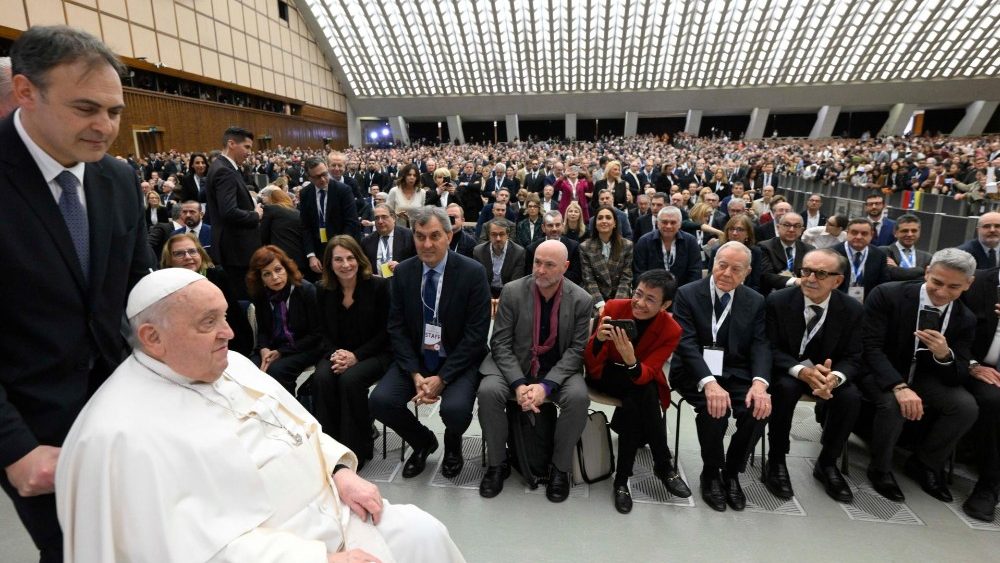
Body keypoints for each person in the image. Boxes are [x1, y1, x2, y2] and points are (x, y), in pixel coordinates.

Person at [56, 268, 466, 562]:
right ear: (152, 338)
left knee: (425, 534)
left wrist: (341, 473)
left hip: (336, 510)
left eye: (225, 317)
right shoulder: (120, 434)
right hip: (286, 549)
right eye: (209, 322)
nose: (230, 333)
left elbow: (298, 429)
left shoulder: (230, 363)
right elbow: (192, 549)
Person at [1, 26, 153, 561]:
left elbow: (140, 293)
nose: (105, 127)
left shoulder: (116, 180)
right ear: (25, 92)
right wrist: (13, 450)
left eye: (114, 111)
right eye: (86, 108)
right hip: (31, 424)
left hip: (122, 404)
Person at [369, 206, 491, 479]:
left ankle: (452, 444)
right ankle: (423, 441)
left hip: (458, 359)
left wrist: (442, 378)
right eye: (420, 236)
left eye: (435, 236)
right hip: (417, 359)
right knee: (380, 400)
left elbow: (476, 335)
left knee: (456, 410)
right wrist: (415, 373)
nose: (427, 244)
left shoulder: (473, 273)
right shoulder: (403, 273)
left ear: (449, 236)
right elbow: (396, 327)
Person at [859, 248, 979, 504]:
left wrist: (944, 355)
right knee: (893, 404)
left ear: (968, 285)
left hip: (925, 376)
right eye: (936, 282)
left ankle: (925, 463)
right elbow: (869, 347)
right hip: (882, 370)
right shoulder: (888, 294)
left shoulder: (964, 318)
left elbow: (957, 373)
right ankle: (880, 468)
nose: (942, 292)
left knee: (965, 406)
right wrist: (898, 385)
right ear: (927, 272)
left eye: (953, 287)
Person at [477, 240, 593, 502]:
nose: (540, 270)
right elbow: (500, 343)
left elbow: (576, 351)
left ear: (565, 267)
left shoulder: (581, 300)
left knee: (577, 398)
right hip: (514, 366)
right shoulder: (513, 291)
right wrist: (518, 384)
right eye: (537, 262)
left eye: (549, 265)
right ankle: (497, 464)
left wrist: (545, 387)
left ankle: (560, 469)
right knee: (488, 391)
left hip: (557, 369)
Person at [670, 241, 772, 513]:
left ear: (747, 272)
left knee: (758, 410)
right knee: (713, 410)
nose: (726, 273)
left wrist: (760, 383)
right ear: (713, 263)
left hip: (736, 371)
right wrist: (709, 383)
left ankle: (732, 472)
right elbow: (686, 344)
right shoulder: (687, 294)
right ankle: (711, 471)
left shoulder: (756, 300)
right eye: (721, 265)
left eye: (735, 269)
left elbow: (761, 344)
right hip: (694, 372)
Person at [584, 270, 692, 514]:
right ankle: (663, 465)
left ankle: (622, 480)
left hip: (638, 376)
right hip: (607, 374)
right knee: (644, 395)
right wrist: (599, 340)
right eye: (638, 294)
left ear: (665, 305)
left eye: (650, 300)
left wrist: (631, 360)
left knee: (637, 399)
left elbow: (650, 371)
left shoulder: (671, 330)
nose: (640, 303)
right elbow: (590, 364)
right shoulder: (614, 307)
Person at [764, 249, 863, 503]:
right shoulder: (778, 301)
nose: (810, 278)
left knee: (850, 396)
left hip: (827, 373)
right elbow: (769, 347)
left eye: (821, 273)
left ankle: (827, 463)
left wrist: (835, 377)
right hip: (790, 368)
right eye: (806, 271)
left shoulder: (851, 309)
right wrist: (802, 372)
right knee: (784, 390)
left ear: (837, 281)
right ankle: (776, 460)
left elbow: (854, 356)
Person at [314, 236, 391, 470]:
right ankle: (330, 448)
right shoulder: (323, 289)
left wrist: (355, 357)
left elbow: (385, 333)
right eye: (338, 259)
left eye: (350, 258)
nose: (345, 264)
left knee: (350, 380)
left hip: (375, 352)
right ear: (329, 263)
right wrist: (336, 354)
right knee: (322, 377)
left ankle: (357, 449)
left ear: (359, 259)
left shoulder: (378, 286)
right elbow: (321, 331)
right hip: (337, 353)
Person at [161, 233, 254, 356]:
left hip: (225, 347)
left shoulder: (217, 276)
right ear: (169, 260)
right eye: (179, 253)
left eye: (192, 251)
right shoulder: (165, 286)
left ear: (200, 254)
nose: (188, 257)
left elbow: (234, 319)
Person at [247, 245, 323, 396]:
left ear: (286, 269)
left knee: (277, 371)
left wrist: (281, 352)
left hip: (306, 346)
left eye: (278, 269)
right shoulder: (261, 295)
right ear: (260, 278)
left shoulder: (306, 290)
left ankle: (288, 413)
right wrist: (264, 349)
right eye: (267, 274)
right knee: (249, 369)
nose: (275, 277)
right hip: (275, 347)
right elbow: (263, 330)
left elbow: (317, 334)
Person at [959, 261, 1000, 521]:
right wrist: (972, 365)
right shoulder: (975, 282)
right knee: (993, 401)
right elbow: (953, 333)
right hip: (976, 367)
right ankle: (988, 485)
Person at [206, 126, 261, 301]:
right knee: (244, 300)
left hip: (233, 249)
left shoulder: (220, 166)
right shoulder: (225, 171)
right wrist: (256, 215)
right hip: (237, 251)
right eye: (247, 147)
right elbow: (229, 211)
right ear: (231, 144)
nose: (249, 152)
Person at [299, 157, 361, 280]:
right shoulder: (305, 193)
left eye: (324, 174)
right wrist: (311, 255)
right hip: (318, 252)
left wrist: (341, 251)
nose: (322, 179)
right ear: (309, 177)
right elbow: (305, 226)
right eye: (317, 177)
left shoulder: (343, 190)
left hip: (343, 248)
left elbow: (351, 223)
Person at [580, 206, 634, 312]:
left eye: (608, 217)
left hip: (619, 296)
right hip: (595, 297)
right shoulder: (585, 247)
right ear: (595, 224)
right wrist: (600, 305)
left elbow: (626, 279)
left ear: (615, 223)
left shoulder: (627, 245)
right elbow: (589, 280)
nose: (604, 221)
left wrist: (616, 305)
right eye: (600, 218)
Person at [633, 206, 703, 287]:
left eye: (673, 222)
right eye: (664, 222)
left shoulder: (691, 241)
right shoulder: (644, 241)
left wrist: (685, 294)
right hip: (652, 291)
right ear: (657, 223)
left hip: (683, 293)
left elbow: (695, 272)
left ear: (680, 224)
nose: (668, 226)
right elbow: (639, 273)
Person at [757, 212, 814, 296]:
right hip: (771, 294)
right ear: (778, 227)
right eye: (787, 225)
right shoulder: (765, 246)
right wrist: (795, 281)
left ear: (802, 230)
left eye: (796, 226)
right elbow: (766, 276)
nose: (791, 229)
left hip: (799, 295)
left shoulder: (809, 250)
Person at [834, 218, 890, 302]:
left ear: (872, 235)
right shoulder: (833, 254)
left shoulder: (879, 255)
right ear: (847, 232)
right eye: (854, 232)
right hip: (837, 303)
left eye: (864, 233)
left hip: (867, 305)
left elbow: (882, 284)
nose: (859, 237)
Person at [474, 218, 527, 301]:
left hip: (509, 292)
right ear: (489, 235)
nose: (498, 238)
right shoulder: (478, 251)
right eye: (494, 234)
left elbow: (515, 282)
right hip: (486, 291)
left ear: (507, 235)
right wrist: (490, 299)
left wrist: (502, 300)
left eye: (501, 234)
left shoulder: (518, 252)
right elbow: (480, 280)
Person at [525, 210, 583, 286]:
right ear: (543, 227)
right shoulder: (532, 249)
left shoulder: (574, 247)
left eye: (558, 225)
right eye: (550, 225)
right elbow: (530, 277)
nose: (554, 229)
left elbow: (576, 277)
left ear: (562, 226)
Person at [361, 203, 416, 278]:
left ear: (393, 218)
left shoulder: (408, 236)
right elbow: (363, 266)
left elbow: (418, 260)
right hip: (377, 285)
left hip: (402, 281)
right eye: (377, 218)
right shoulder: (366, 242)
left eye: (384, 217)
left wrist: (401, 267)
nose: (380, 221)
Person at [881, 214, 931, 281]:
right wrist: (920, 270)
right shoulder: (884, 251)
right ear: (895, 233)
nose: (910, 234)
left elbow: (927, 281)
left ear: (919, 232)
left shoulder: (927, 257)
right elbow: (889, 276)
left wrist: (897, 269)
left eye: (914, 231)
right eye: (905, 231)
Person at [387, 163, 427, 227]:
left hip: (416, 230)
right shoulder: (394, 191)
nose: (412, 177)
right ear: (404, 176)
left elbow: (423, 213)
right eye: (409, 175)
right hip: (398, 229)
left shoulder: (422, 192)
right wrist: (397, 215)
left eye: (414, 175)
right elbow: (387, 212)